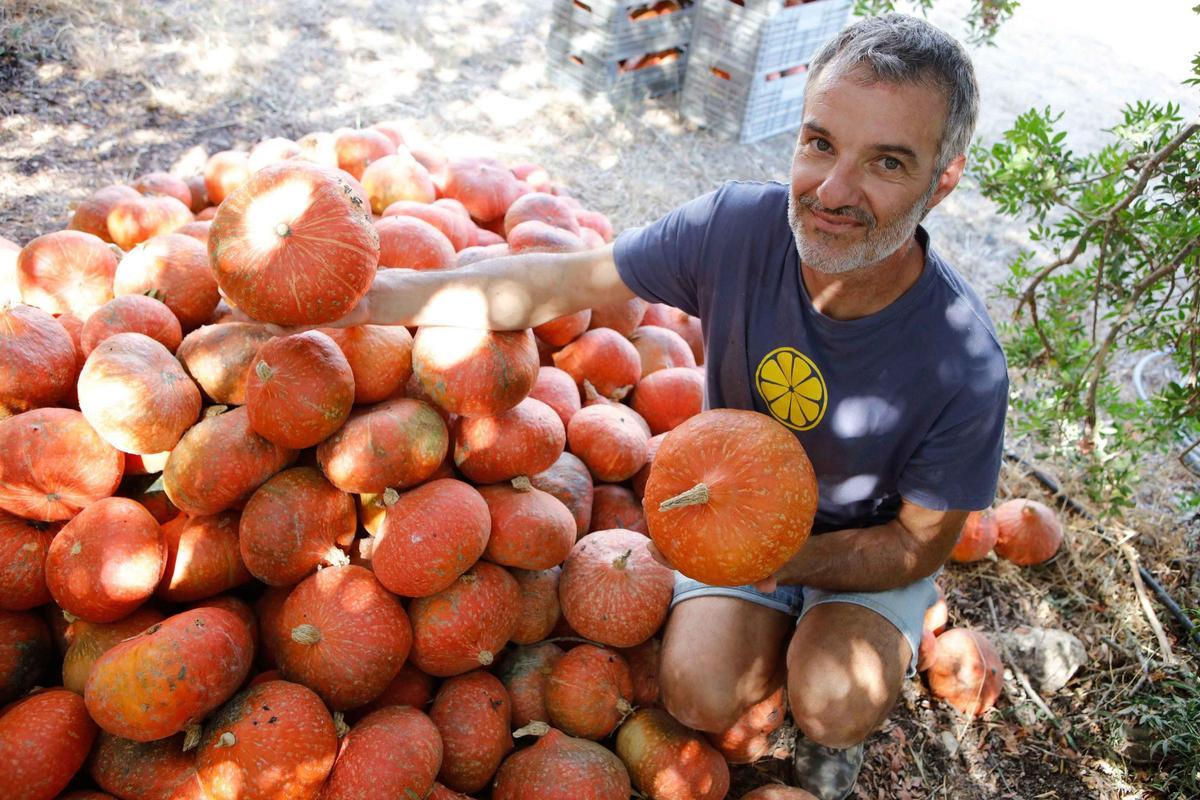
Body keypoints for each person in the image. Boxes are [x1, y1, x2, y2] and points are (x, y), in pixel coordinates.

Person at [315, 13, 1007, 799]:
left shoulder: (963, 362)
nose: (833, 192)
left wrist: (787, 560)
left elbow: (915, 547)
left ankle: (831, 711)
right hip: (719, 513)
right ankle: (778, 641)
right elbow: (559, 281)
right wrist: (383, 294)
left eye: (886, 162)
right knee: (695, 696)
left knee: (833, 704)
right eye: (820, 143)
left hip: (858, 550)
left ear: (942, 179)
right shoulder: (737, 230)